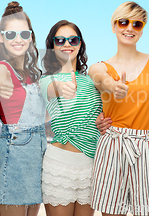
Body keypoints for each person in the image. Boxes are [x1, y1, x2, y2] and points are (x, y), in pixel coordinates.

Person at [89, 2, 149, 216]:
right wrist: (114, 87)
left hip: (147, 146)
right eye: (123, 22)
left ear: (142, 30)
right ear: (113, 26)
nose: (129, 28)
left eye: (137, 24)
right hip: (112, 145)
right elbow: (102, 81)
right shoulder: (100, 67)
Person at [40, 20, 102, 216]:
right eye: (60, 40)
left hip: (91, 167)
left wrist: (102, 122)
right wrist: (62, 87)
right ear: (52, 46)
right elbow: (53, 89)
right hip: (59, 166)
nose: (67, 44)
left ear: (80, 44)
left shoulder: (93, 80)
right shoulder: (46, 80)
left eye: (73, 40)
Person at [0, 2, 46, 216]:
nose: (18, 39)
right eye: (11, 33)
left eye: (23, 33)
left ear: (31, 37)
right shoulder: (2, 67)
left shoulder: (35, 73)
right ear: (1, 37)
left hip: (40, 152)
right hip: (15, 151)